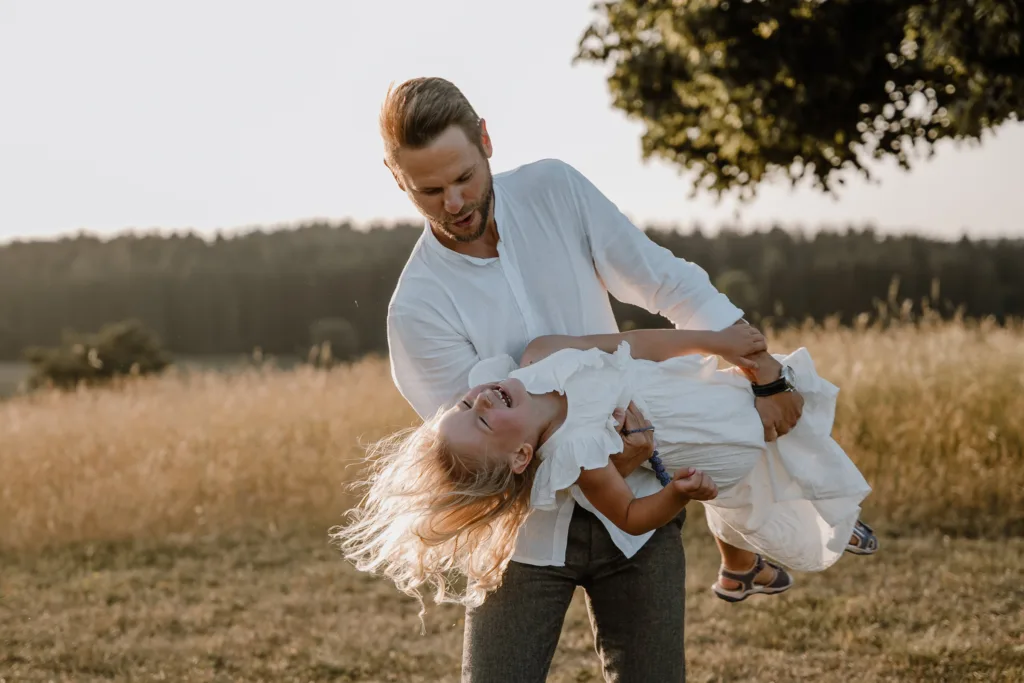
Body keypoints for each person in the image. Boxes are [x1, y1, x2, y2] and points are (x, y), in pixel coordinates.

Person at [350, 75, 863, 682]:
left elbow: (663, 282)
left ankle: (803, 517)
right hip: (526, 546)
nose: (454, 204)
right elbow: (485, 465)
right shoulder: (416, 312)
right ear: (395, 176)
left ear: (486, 139)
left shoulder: (554, 190)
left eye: (464, 178)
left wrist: (761, 369)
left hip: (643, 516)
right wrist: (611, 464)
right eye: (428, 191)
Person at [338, 323, 873, 621]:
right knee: (762, 483)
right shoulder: (575, 455)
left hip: (708, 396)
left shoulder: (544, 354)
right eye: (482, 422)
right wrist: (680, 495)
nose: (478, 401)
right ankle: (828, 518)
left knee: (785, 449)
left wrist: (715, 341)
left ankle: (767, 552)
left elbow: (638, 344)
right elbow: (633, 514)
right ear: (521, 458)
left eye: (464, 405)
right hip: (714, 449)